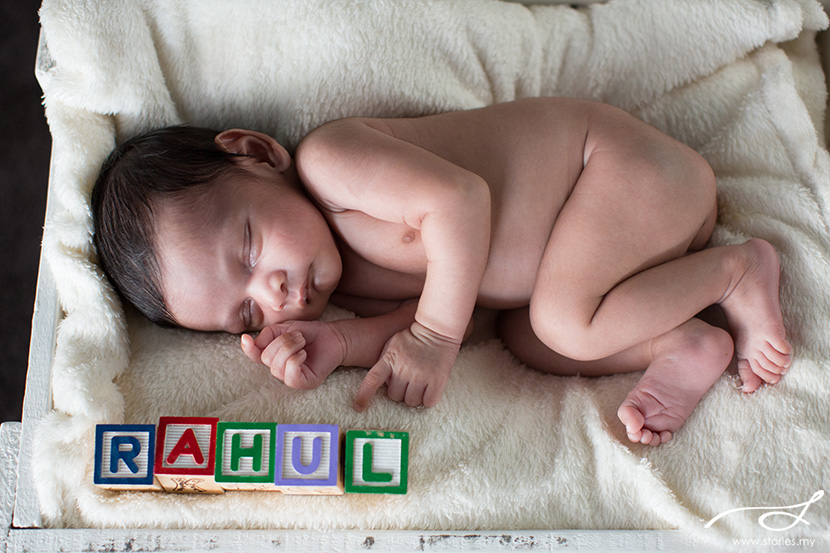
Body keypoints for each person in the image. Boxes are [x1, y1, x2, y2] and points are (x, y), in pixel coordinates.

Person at [92, 97, 791, 446]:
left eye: (246, 250)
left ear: (255, 152)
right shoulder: (342, 277)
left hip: (620, 173)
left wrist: (432, 336)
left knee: (561, 319)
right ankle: (685, 340)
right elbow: (460, 306)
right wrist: (339, 345)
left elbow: (460, 202)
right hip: (616, 248)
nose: (270, 292)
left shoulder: (331, 163)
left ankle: (736, 270)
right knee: (529, 336)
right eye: (247, 314)